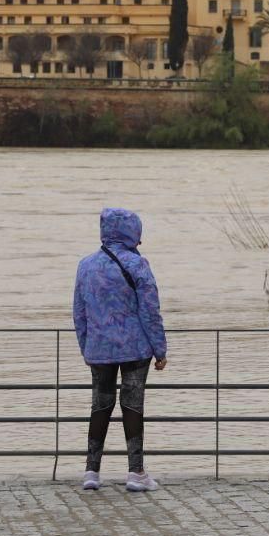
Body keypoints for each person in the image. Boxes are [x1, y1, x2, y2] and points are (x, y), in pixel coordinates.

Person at [73, 207, 168, 492]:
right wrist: (160, 349)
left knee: (100, 404)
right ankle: (136, 472)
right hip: (136, 349)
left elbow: (79, 312)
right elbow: (150, 311)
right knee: (133, 405)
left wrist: (87, 347)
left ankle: (91, 471)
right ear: (131, 233)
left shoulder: (86, 265)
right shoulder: (139, 265)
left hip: (99, 348)